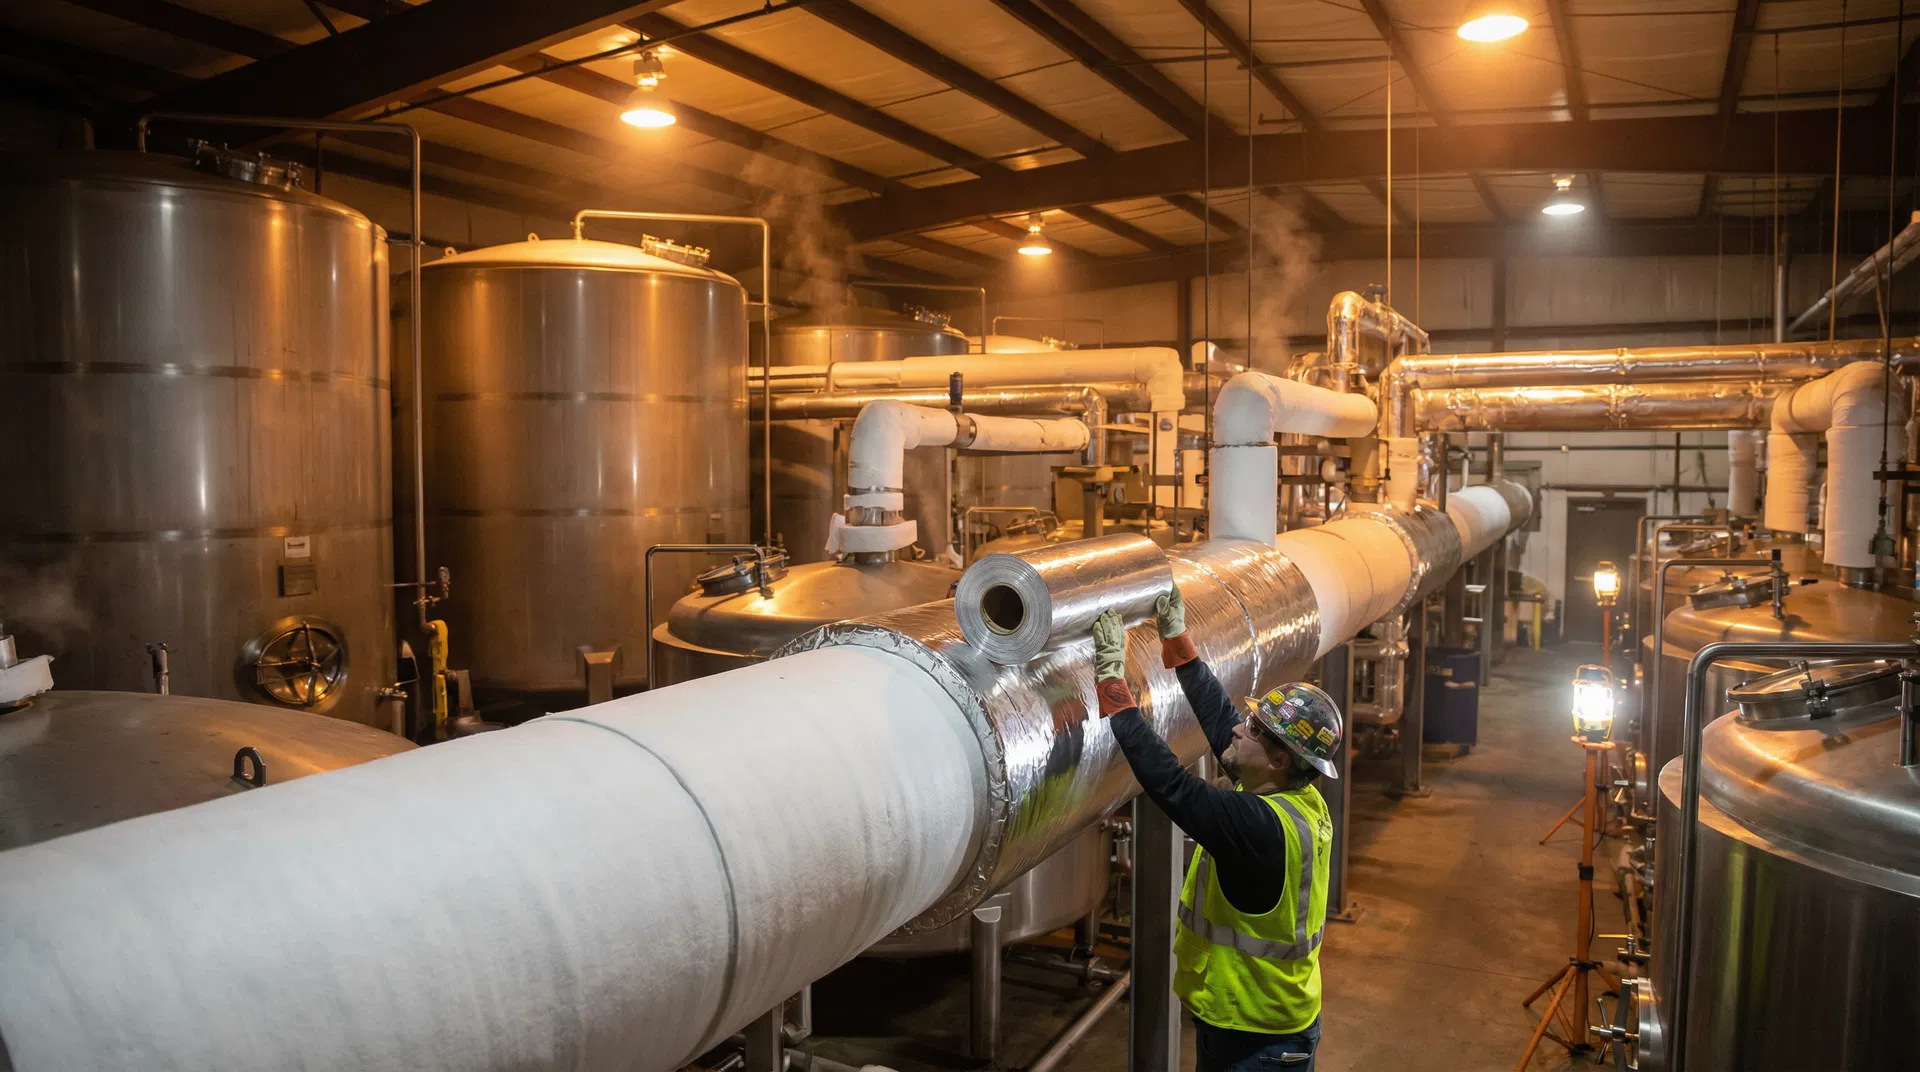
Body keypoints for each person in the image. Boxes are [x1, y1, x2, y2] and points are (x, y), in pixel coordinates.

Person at [1089, 586, 1342, 1072]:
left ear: (1279, 759)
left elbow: (1172, 786)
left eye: (1256, 729)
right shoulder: (1294, 794)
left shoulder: (1258, 826)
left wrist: (1113, 688)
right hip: (1261, 1021)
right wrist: (1178, 645)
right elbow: (1223, 723)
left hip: (1254, 1036)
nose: (1242, 728)